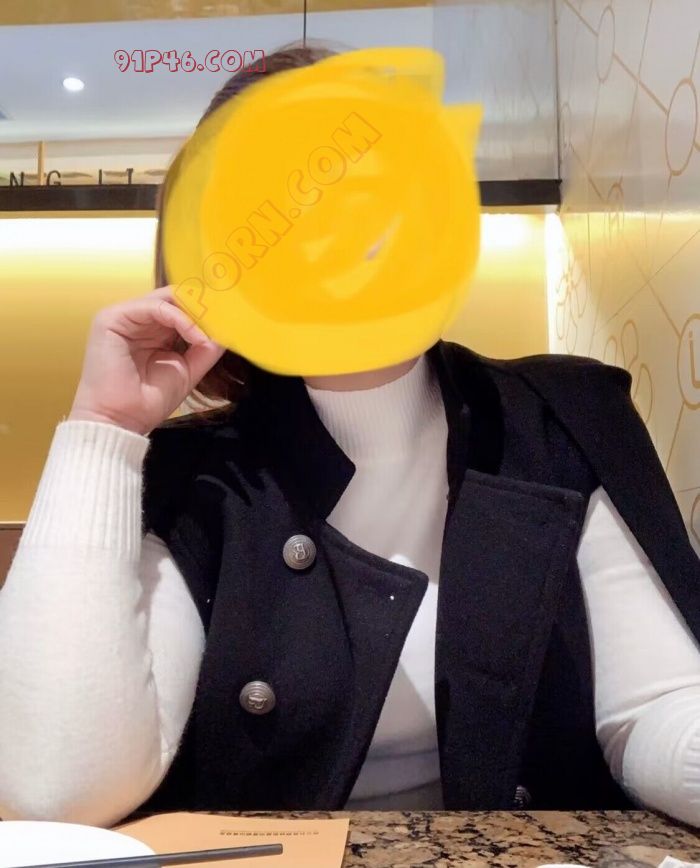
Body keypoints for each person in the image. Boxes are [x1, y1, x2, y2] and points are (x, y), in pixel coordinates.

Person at [1, 42, 700, 830]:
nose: (334, 232)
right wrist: (103, 427)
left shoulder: (557, 419)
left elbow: (656, 710)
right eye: (285, 206)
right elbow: (58, 786)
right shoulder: (195, 481)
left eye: (367, 192)